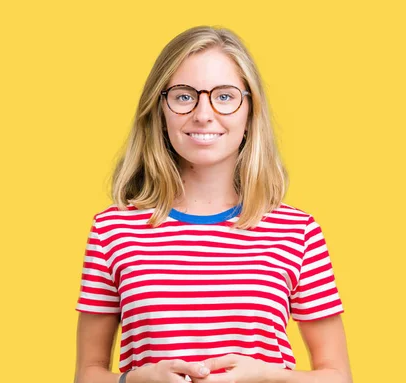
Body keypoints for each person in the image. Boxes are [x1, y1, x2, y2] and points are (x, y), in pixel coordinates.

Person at [73, 26, 352, 383]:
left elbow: (337, 376)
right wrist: (137, 379)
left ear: (250, 111)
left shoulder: (298, 232)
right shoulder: (113, 230)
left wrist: (265, 376)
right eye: (184, 96)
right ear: (160, 110)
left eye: (224, 96)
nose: (203, 114)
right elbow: (86, 374)